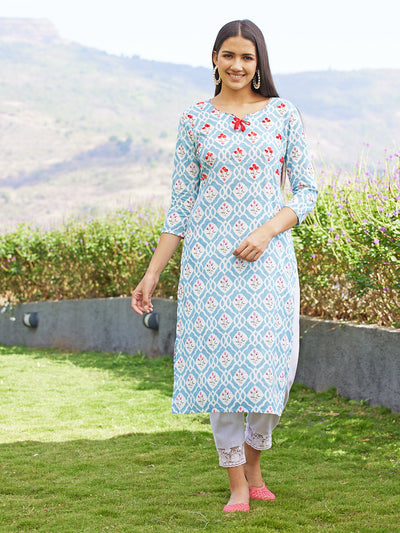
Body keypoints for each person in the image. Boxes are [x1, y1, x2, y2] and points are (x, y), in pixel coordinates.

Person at [131, 19, 318, 513]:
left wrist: (267, 231)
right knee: (222, 374)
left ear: (259, 63)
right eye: (228, 55)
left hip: (269, 263)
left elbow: (306, 191)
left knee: (275, 372)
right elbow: (181, 204)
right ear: (214, 58)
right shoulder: (194, 119)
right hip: (209, 267)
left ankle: (255, 461)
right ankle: (238, 482)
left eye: (247, 57)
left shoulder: (283, 114)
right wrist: (153, 273)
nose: (237, 65)